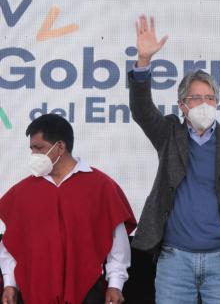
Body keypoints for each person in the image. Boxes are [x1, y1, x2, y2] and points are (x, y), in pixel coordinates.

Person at [128, 15, 220, 303]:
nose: (204, 104)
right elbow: (141, 110)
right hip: (175, 259)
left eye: (210, 98)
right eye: (196, 98)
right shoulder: (169, 133)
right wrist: (143, 62)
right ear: (182, 105)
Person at [0, 114, 136, 304]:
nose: (34, 155)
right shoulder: (23, 191)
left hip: (87, 290)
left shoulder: (101, 186)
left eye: (39, 148)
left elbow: (117, 240)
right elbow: (11, 244)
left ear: (60, 147)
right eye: (32, 149)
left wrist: (115, 283)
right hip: (34, 290)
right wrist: (9, 283)